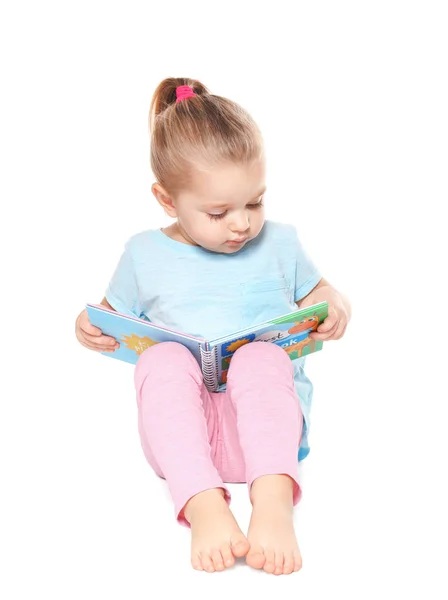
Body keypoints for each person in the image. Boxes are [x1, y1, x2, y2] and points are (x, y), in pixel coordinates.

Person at [75, 78, 351, 575]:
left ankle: (272, 504)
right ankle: (204, 506)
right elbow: (108, 320)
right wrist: (88, 328)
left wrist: (333, 307)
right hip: (182, 441)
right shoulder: (143, 254)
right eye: (219, 212)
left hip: (270, 437)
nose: (242, 225)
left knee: (261, 356)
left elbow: (323, 293)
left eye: (256, 202)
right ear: (166, 199)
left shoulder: (281, 244)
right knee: (161, 359)